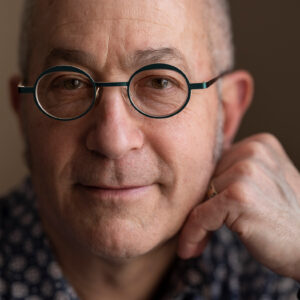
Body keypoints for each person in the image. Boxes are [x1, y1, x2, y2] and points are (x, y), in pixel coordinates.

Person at [1, 0, 300, 299]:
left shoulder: (276, 271)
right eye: (70, 83)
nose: (113, 141)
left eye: (159, 82)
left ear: (226, 113)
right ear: (22, 112)